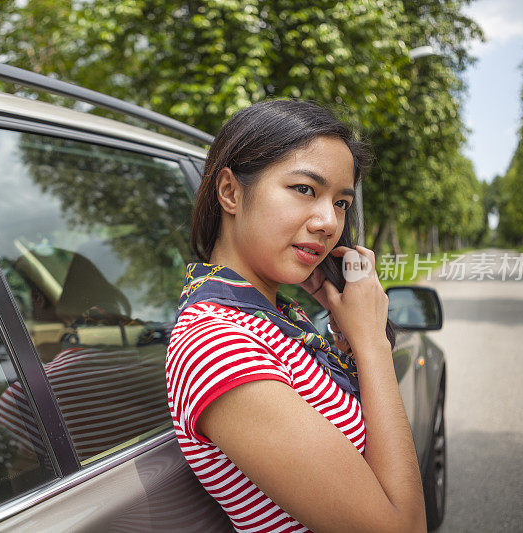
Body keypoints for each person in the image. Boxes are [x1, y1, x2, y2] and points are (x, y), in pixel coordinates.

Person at [165, 99, 426, 533]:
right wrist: (373, 346)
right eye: (305, 189)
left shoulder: (277, 319)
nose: (328, 222)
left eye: (341, 202)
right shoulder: (215, 345)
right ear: (230, 191)